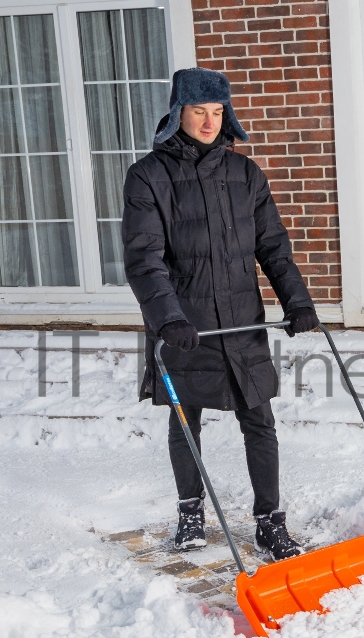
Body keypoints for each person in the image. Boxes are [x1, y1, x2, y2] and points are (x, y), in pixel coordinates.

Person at [122, 67, 318, 561]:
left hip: (241, 319)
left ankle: (270, 523)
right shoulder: (148, 176)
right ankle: (191, 514)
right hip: (185, 325)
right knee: (186, 418)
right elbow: (144, 258)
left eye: (216, 112)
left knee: (260, 418)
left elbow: (274, 247)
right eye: (198, 111)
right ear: (177, 113)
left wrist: (297, 301)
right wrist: (168, 318)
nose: (210, 122)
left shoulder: (245, 174)